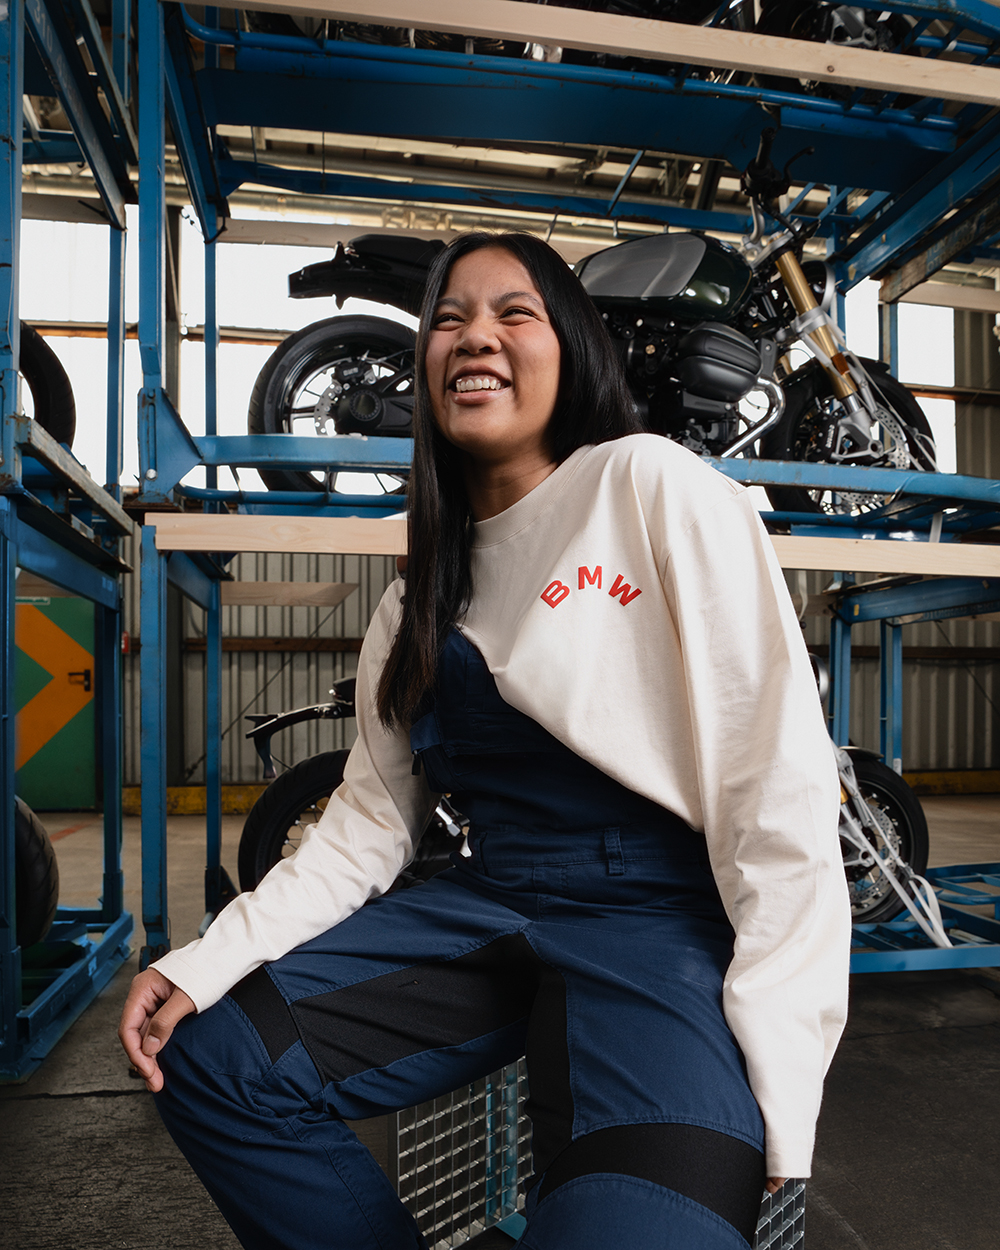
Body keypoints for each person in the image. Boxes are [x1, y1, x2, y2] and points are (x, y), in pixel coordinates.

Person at [119, 231, 851, 1250]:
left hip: (654, 924)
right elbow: (366, 827)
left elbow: (772, 783)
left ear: (574, 350)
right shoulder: (416, 596)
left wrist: (783, 1054)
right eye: (449, 317)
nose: (476, 336)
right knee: (210, 1055)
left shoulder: (646, 485)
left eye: (514, 313)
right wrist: (207, 958)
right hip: (488, 898)